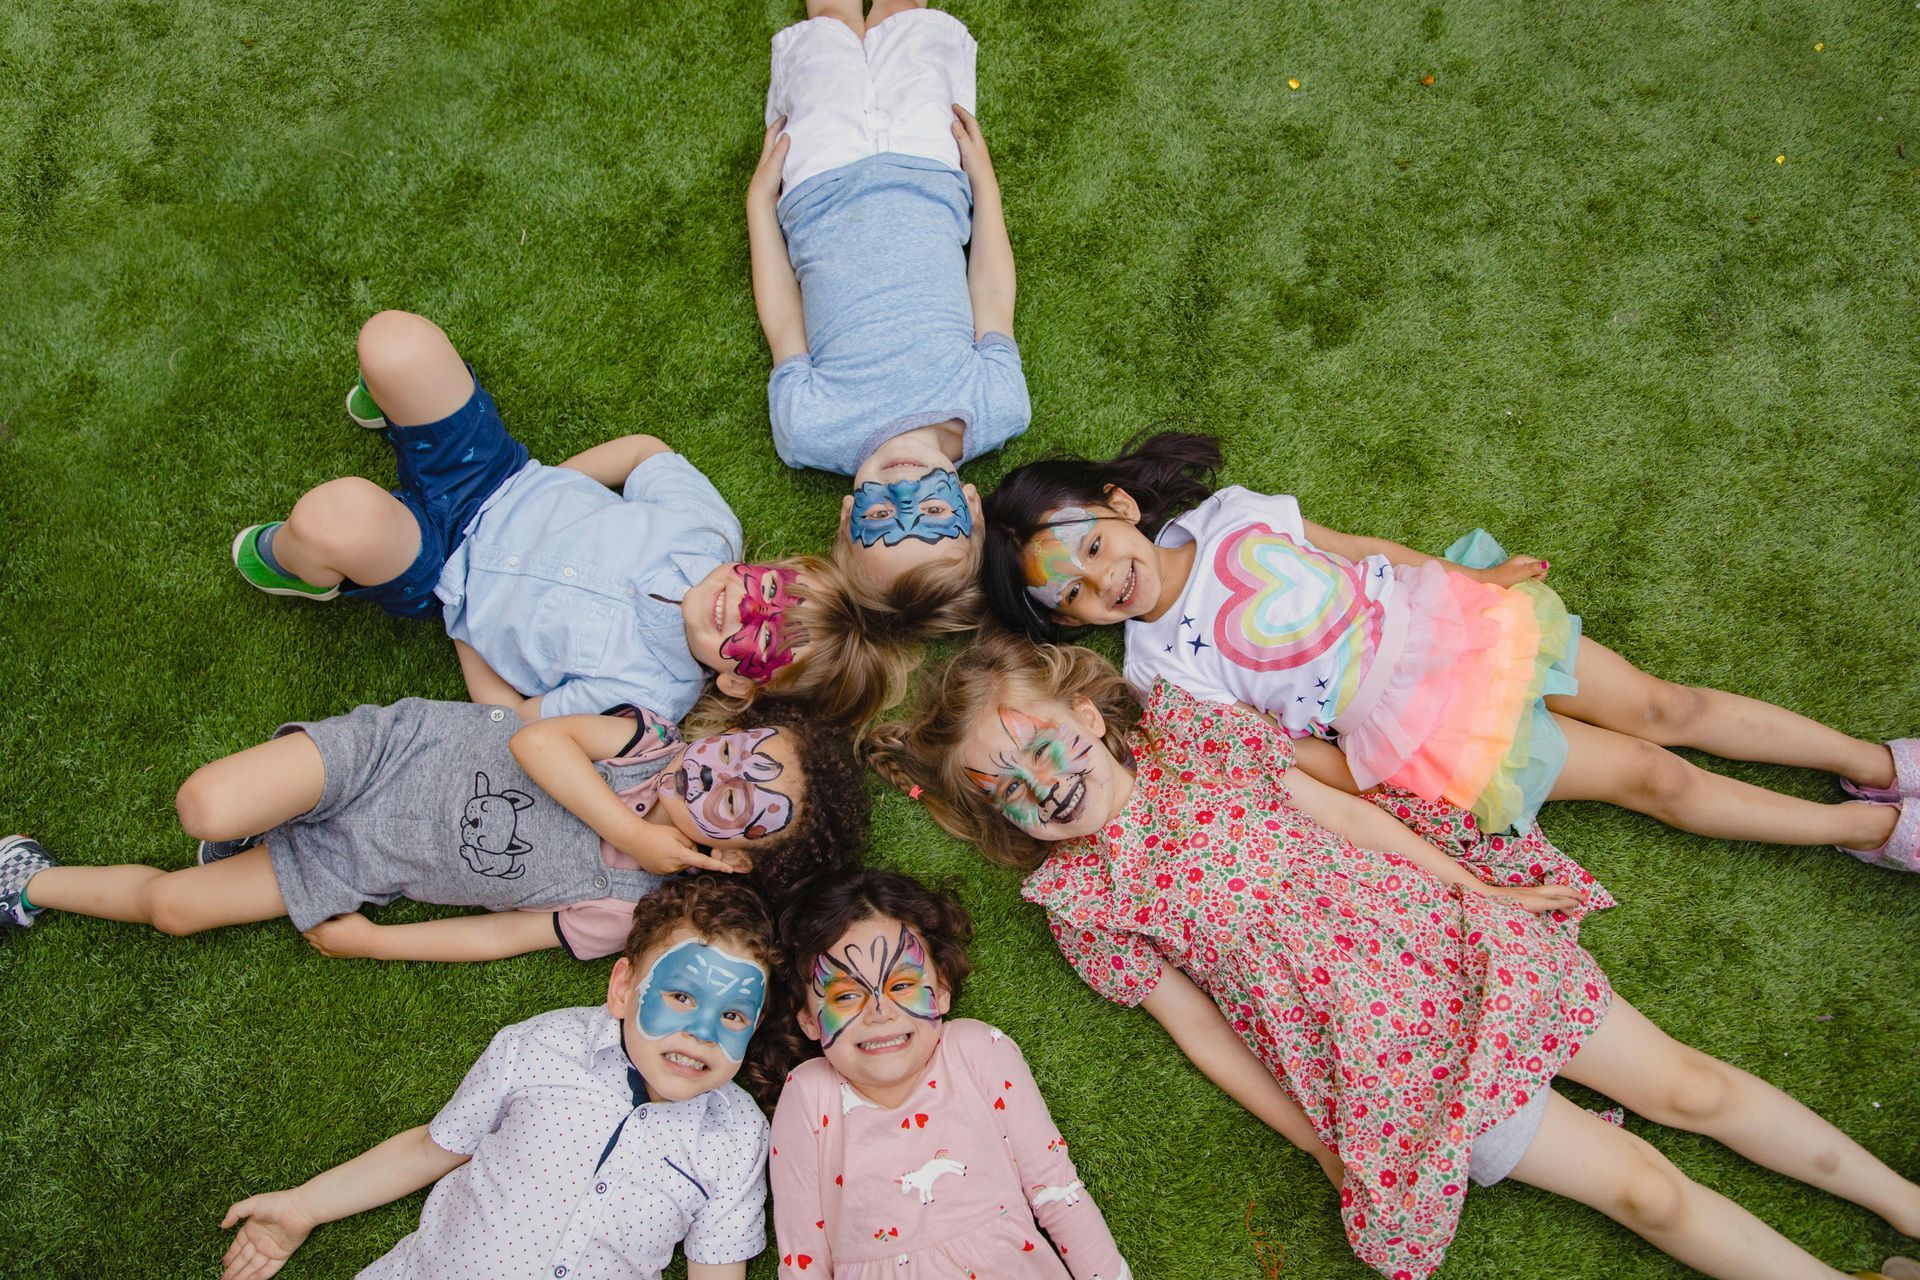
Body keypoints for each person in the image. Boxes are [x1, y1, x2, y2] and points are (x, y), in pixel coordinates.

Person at [864, 633, 1920, 1280]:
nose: (1039, 786)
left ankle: (1905, 1205)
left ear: (1089, 716)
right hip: (1389, 1075)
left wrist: (1475, 888)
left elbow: (1338, 807)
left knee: (1693, 1084)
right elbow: (1204, 1031)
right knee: (1643, 1188)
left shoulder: (1196, 739)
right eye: (1005, 787)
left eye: (1040, 747)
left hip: (1458, 948)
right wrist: (1320, 1137)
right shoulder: (1082, 896)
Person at [978, 431, 1918, 870]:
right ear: (1069, 623)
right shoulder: (1153, 669)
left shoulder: (1234, 513)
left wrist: (1475, 579)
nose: (1102, 583)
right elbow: (1271, 750)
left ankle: (1873, 762)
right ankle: (1870, 830)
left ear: (1121, 505)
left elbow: (1363, 554)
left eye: (1094, 549)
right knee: (1651, 777)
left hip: (1458, 626)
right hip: (1419, 730)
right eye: (1071, 596)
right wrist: (1371, 775)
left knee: (1671, 709)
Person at [230, 308, 899, 724]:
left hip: (436, 567)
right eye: (769, 591)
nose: (743, 607)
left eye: (764, 640)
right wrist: (544, 485)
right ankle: (408, 419)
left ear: (735, 681)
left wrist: (463, 623)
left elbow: (516, 719)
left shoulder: (645, 695)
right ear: (767, 566)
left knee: (330, 518)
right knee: (394, 341)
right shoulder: (706, 530)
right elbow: (646, 452)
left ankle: (309, 568)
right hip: (492, 473)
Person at [216, 875, 800, 1280]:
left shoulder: (737, 1137)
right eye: (679, 995)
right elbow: (432, 1147)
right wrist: (304, 1206)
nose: (702, 1032)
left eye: (731, 1015)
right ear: (623, 988)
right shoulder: (539, 1047)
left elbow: (717, 1265)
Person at [0, 699, 865, 961]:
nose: (720, 771)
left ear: (733, 855)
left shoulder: (631, 904)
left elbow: (505, 937)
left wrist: (373, 945)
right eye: (746, 751)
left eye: (746, 802)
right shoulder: (644, 744)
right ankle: (269, 810)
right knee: (206, 808)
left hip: (358, 863)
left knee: (176, 910)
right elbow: (535, 742)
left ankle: (25, 880)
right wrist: (632, 828)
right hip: (385, 757)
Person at [746, 0, 1026, 623]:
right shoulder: (995, 406)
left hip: (819, 178)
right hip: (929, 166)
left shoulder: (812, 431)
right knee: (910, 21)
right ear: (972, 507)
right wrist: (985, 185)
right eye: (931, 513)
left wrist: (758, 206)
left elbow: (784, 320)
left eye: (879, 518)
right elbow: (991, 292)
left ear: (848, 515)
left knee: (828, 31)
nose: (903, 490)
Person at [768, 868, 1132, 1279]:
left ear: (941, 989)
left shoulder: (976, 1050)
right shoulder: (810, 1094)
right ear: (808, 1020)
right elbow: (803, 1260)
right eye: (847, 995)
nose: (880, 1012)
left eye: (902, 985)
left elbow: (1057, 1190)